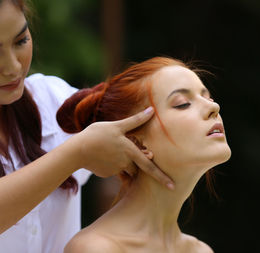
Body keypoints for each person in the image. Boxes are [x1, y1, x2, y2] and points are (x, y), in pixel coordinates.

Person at [0, 1, 174, 252]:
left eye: (20, 41)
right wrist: (77, 152)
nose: (13, 67)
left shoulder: (51, 101)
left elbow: (141, 116)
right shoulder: (77, 141)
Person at [58, 56, 231, 253]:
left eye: (208, 98)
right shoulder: (97, 248)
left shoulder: (200, 251)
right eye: (183, 103)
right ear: (136, 143)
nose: (213, 107)